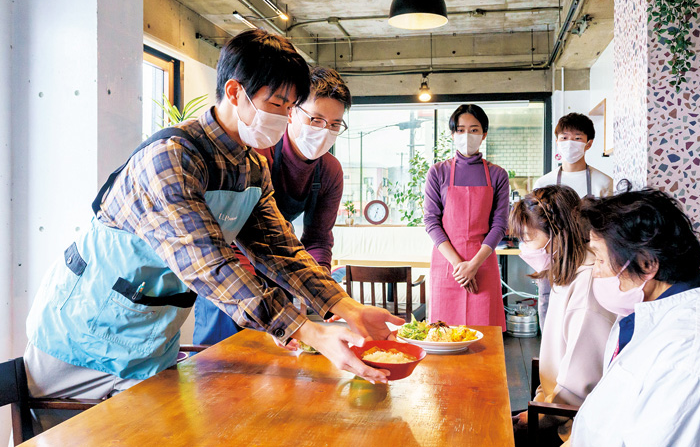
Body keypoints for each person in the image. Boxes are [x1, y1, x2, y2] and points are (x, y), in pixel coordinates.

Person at [24, 30, 404, 419]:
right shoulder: (170, 158)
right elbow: (211, 263)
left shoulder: (252, 166)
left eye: (289, 106)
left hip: (150, 341)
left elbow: (281, 249)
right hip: (80, 340)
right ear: (236, 92)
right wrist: (309, 330)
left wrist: (346, 307)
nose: (284, 116)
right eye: (276, 103)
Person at [566, 188, 700, 446]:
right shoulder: (653, 314)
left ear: (646, 264)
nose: (594, 272)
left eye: (599, 259)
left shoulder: (689, 356)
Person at [192, 66, 351, 346]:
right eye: (316, 119)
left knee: (276, 371)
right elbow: (233, 237)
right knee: (217, 365)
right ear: (292, 112)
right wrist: (261, 303)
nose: (324, 131)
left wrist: (324, 297)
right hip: (231, 272)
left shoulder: (329, 171)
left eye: (335, 124)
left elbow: (315, 239)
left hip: (279, 271)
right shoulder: (257, 155)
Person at [509, 185, 616, 446]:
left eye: (527, 238)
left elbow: (580, 385)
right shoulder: (567, 272)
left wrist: (537, 414)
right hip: (552, 406)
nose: (524, 248)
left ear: (556, 235)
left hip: (569, 424)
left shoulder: (588, 281)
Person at [424, 104, 509, 328]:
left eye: (473, 130)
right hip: (448, 265)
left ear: (484, 134)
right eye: (460, 130)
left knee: (484, 334)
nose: (466, 136)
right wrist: (459, 266)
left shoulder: (497, 174)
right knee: (444, 334)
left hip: (482, 263)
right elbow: (431, 222)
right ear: (452, 134)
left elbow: (500, 224)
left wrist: (473, 265)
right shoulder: (438, 172)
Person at [533, 113, 614, 329]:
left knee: (588, 310)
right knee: (549, 305)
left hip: (590, 259)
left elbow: (609, 226)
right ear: (557, 141)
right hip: (555, 257)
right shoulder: (544, 182)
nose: (570, 143)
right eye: (564, 137)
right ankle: (549, 357)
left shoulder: (603, 182)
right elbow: (536, 227)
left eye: (577, 138)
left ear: (589, 144)